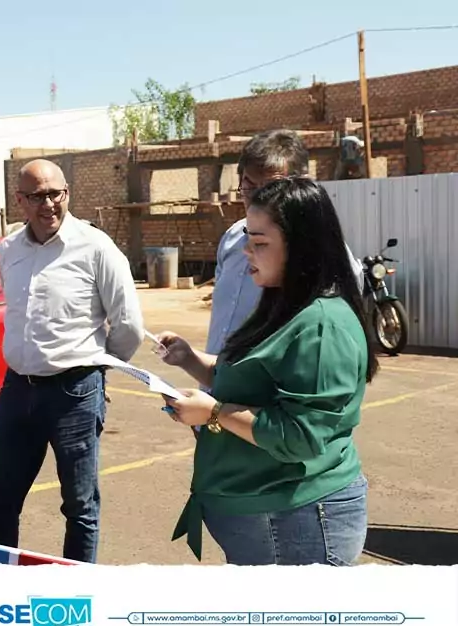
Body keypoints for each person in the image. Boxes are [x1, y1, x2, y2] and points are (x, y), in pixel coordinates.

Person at [157, 176, 378, 565]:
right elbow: (251, 379)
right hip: (269, 515)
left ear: (302, 250)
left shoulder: (321, 326)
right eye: (248, 238)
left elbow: (301, 436)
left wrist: (212, 413)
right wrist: (191, 359)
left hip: (299, 518)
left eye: (260, 243)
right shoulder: (281, 306)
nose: (246, 252)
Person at [0, 159, 144, 563]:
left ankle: (73, 600)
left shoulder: (96, 247)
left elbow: (128, 326)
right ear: (20, 200)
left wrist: (96, 372)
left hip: (74, 393)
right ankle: (0, 594)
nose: (49, 204)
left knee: (80, 508)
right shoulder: (9, 249)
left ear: (67, 193)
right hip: (17, 390)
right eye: (37, 196)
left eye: (56, 194)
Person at [208, 129, 364, 361]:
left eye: (271, 187)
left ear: (299, 187)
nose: (258, 197)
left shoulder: (323, 256)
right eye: (249, 186)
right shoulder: (231, 239)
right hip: (214, 386)